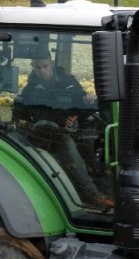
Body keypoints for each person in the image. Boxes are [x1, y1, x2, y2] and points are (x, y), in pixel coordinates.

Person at [15, 56, 108, 209]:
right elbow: (20, 116)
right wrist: (28, 125)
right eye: (38, 68)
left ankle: (92, 192)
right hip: (37, 135)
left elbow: (81, 105)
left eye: (45, 66)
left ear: (51, 64)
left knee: (74, 143)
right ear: (32, 66)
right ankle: (91, 194)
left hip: (63, 132)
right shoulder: (29, 90)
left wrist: (84, 106)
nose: (42, 71)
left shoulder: (69, 83)